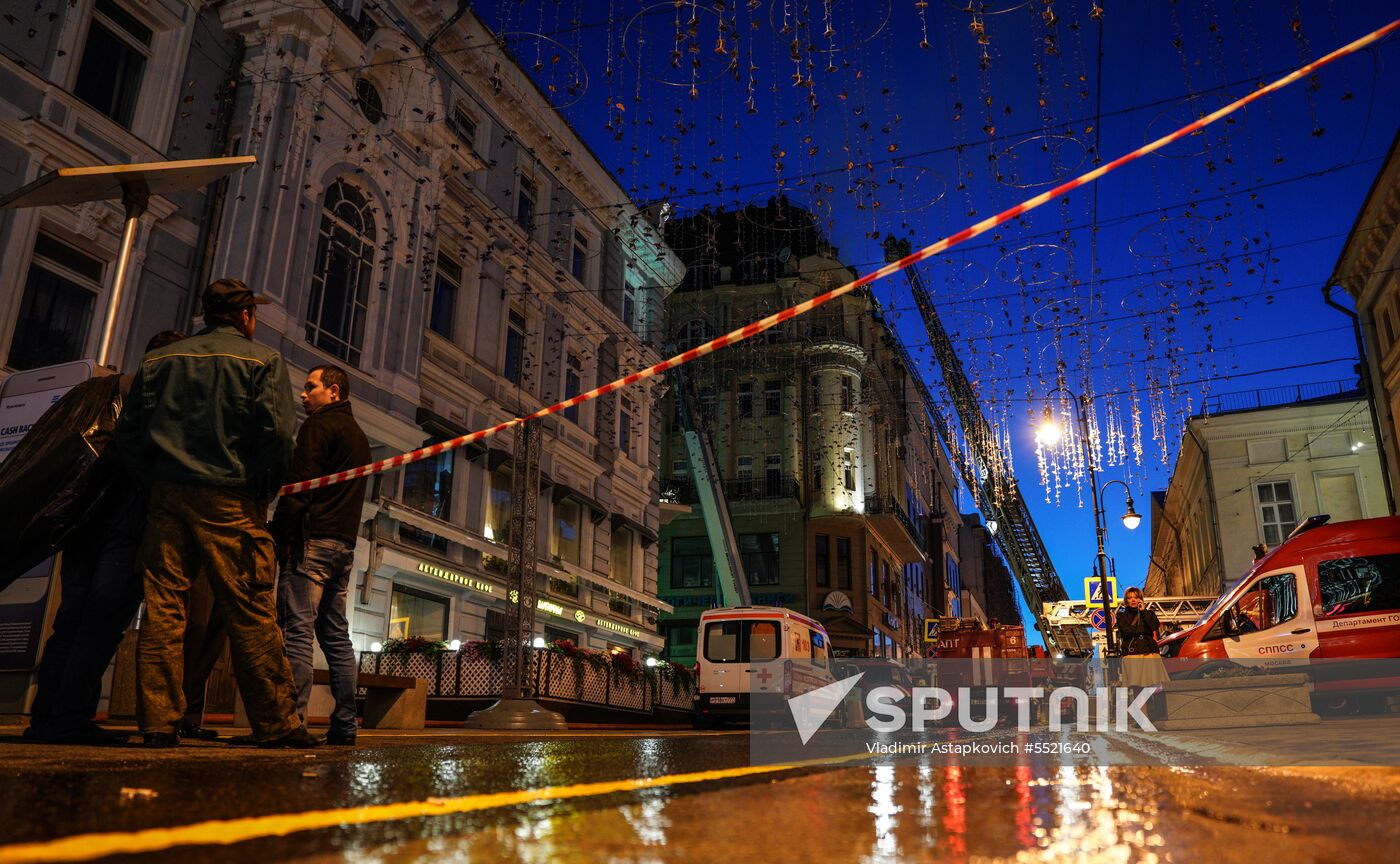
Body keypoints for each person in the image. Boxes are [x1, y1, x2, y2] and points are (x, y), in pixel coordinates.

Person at [116, 278, 317, 749]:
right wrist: (260, 489)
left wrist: (157, 479)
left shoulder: (158, 361)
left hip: (167, 496)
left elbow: (129, 434)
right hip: (231, 497)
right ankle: (277, 723)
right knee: (250, 609)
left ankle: (158, 724)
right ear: (246, 316)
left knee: (164, 610)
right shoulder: (261, 361)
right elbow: (279, 437)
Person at [18, 330, 185, 745]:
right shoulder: (160, 400)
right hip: (124, 525)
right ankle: (71, 717)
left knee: (71, 619)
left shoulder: (101, 389)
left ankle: (46, 718)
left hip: (81, 521)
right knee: (101, 623)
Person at [270, 365, 370, 746]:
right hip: (343, 546)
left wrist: (278, 533)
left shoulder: (317, 426)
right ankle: (345, 725)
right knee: (336, 637)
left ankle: (292, 724)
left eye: (310, 387)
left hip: (311, 541)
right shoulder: (358, 436)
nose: (303, 394)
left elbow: (299, 486)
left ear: (333, 391)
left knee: (297, 632)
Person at [1115, 587, 1169, 690]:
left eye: (1136, 597)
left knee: (1155, 687)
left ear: (1141, 599)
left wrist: (1143, 611)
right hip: (1132, 654)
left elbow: (1154, 626)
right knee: (1137, 689)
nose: (1133, 600)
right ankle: (1141, 706)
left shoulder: (1148, 614)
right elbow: (1126, 631)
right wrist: (1144, 630)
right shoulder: (1122, 616)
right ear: (1126, 600)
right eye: (1130, 598)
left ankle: (1157, 706)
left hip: (1149, 652)